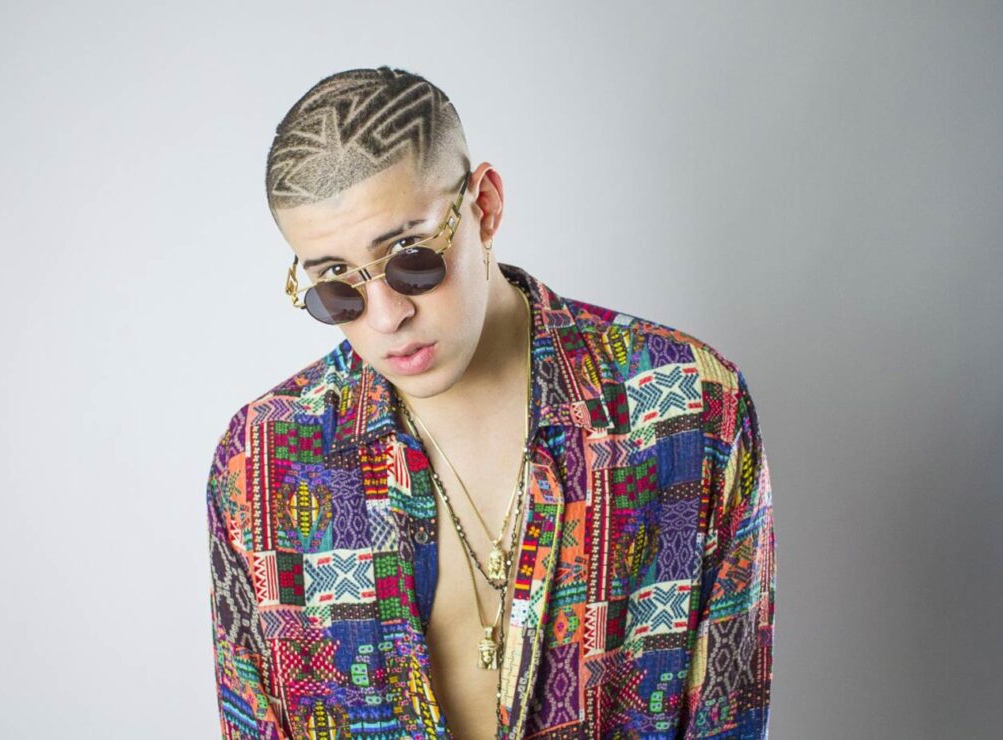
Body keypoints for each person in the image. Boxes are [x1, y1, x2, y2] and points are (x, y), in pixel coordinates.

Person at [206, 65, 775, 739]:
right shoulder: (263, 459)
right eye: (336, 283)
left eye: (410, 255)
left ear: (485, 205)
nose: (386, 316)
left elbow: (728, 714)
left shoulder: (687, 408)